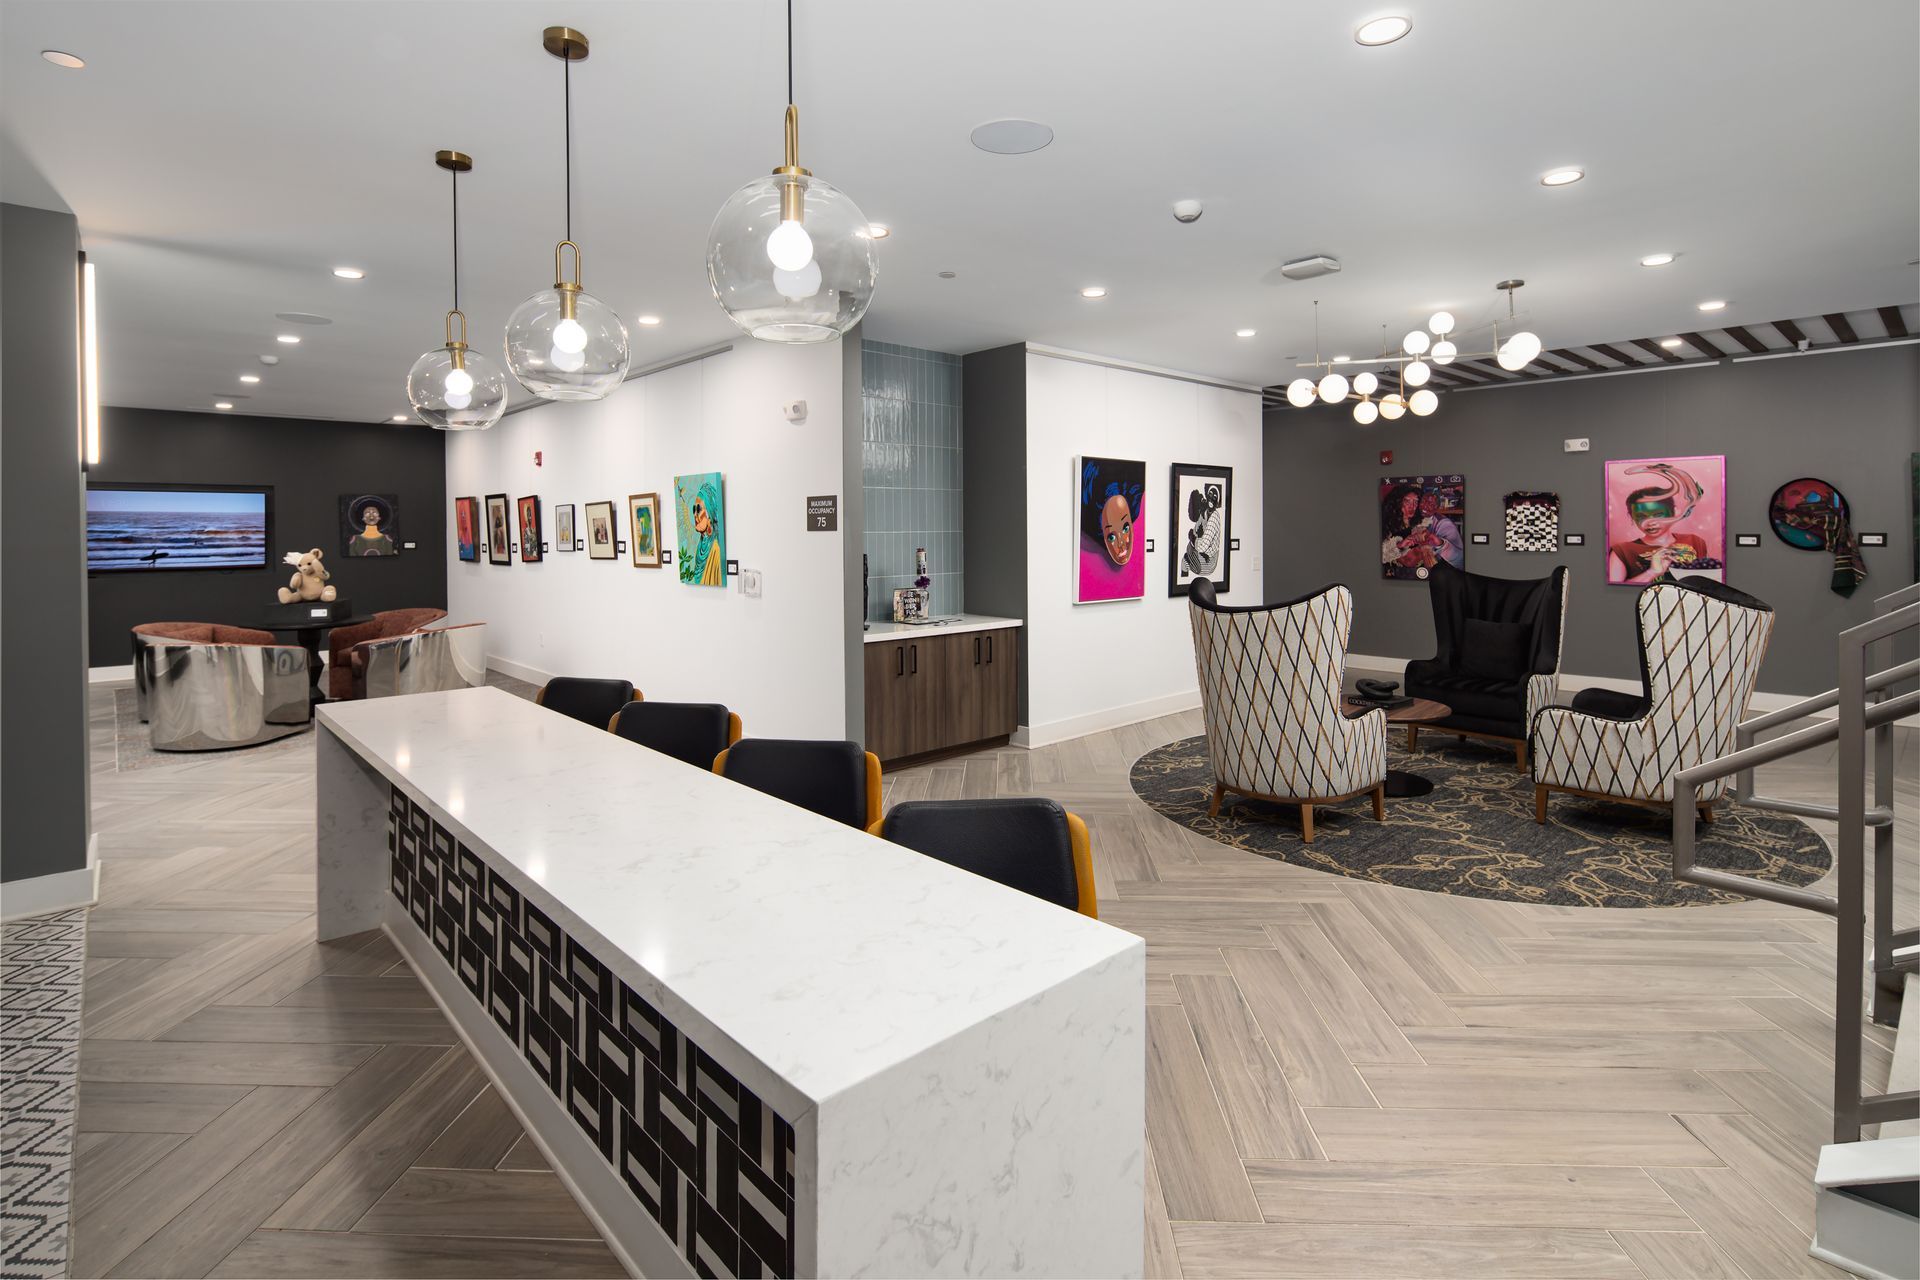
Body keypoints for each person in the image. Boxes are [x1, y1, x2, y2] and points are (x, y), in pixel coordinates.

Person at [1610, 463, 1708, 583]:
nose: (1650, 522)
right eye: (1641, 516)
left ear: (1674, 511)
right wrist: (1652, 572)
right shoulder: (1622, 550)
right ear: (1632, 517)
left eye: (1657, 514)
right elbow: (1614, 590)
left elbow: (1705, 582)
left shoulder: (1694, 541)